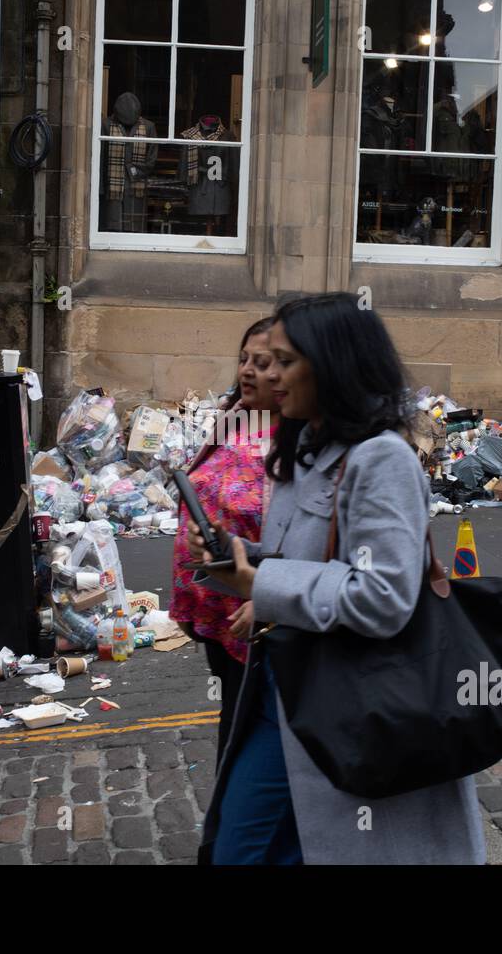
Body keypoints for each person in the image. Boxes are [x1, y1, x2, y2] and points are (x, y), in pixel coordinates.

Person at [188, 292, 485, 865]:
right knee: (244, 846)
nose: (268, 374)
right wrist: (235, 557)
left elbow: (384, 595)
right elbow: (303, 560)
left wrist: (263, 586)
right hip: (288, 692)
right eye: (266, 359)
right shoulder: (303, 446)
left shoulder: (380, 459)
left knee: (248, 853)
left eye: (284, 361)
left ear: (333, 367)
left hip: (349, 697)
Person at [170, 317, 279, 761]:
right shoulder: (235, 418)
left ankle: (233, 821)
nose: (248, 370)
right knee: (233, 721)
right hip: (215, 607)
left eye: (265, 361)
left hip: (259, 617)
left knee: (248, 730)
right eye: (243, 359)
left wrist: (271, 600)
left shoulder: (302, 440)